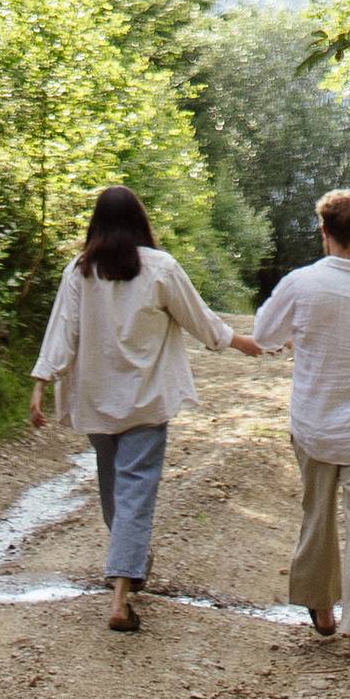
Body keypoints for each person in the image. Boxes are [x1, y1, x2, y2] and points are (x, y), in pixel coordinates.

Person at [29, 184, 261, 632]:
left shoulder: (80, 271)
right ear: (140, 221)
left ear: (95, 223)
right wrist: (242, 343)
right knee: (134, 491)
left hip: (96, 400)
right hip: (147, 401)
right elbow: (200, 319)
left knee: (114, 487)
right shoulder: (160, 267)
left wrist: (41, 382)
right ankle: (120, 594)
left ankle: (127, 565)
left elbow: (62, 331)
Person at [251, 186, 350, 666]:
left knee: (316, 513)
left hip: (315, 421)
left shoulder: (301, 284)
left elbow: (262, 335)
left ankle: (321, 607)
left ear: (324, 232)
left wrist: (300, 336)